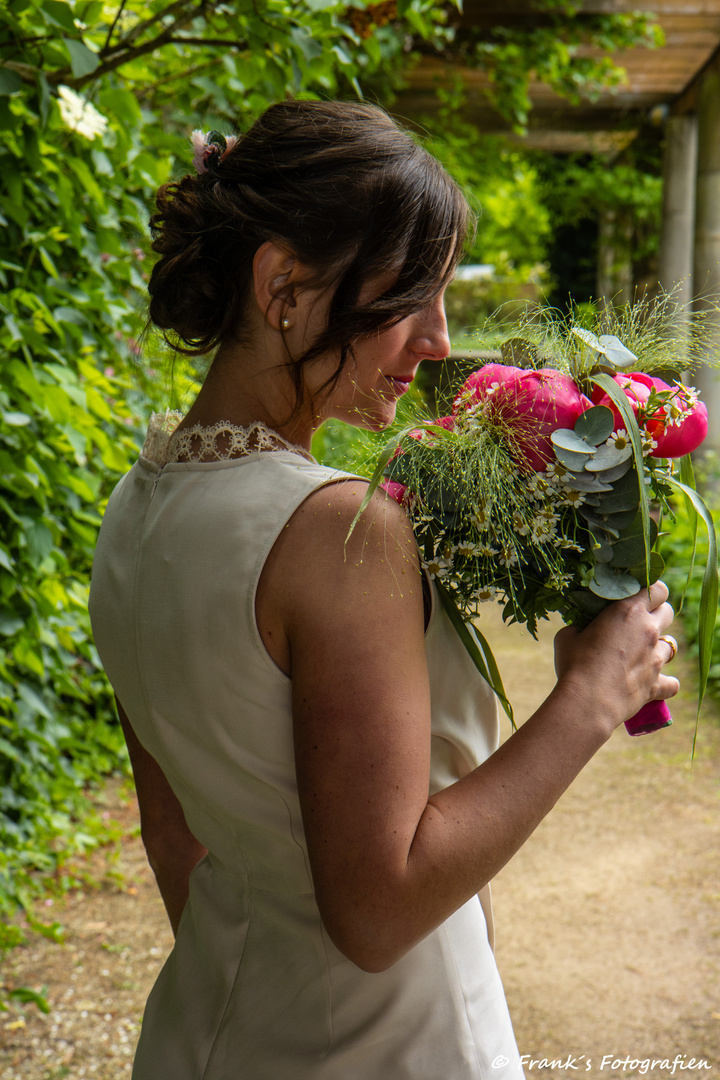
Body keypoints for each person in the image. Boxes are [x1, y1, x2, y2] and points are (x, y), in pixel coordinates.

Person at [88, 100, 679, 1080]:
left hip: (207, 1029)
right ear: (283, 285)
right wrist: (590, 695)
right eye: (412, 295)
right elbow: (378, 912)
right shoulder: (336, 530)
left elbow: (171, 835)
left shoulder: (134, 503)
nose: (441, 340)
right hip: (392, 1044)